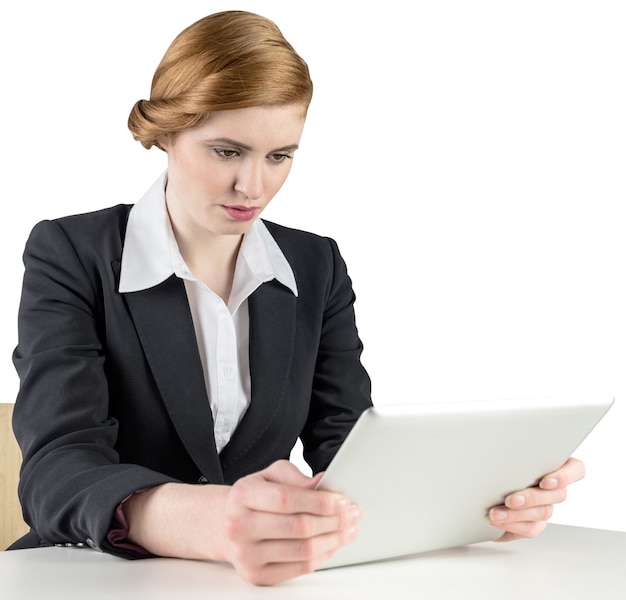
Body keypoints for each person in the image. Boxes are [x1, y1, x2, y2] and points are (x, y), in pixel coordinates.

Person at [9, 10, 584, 586]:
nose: (253, 186)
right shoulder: (71, 252)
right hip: (87, 575)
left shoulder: (316, 265)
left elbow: (350, 452)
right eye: (227, 151)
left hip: (263, 582)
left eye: (279, 156)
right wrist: (212, 522)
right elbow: (57, 471)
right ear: (166, 131)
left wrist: (476, 509)